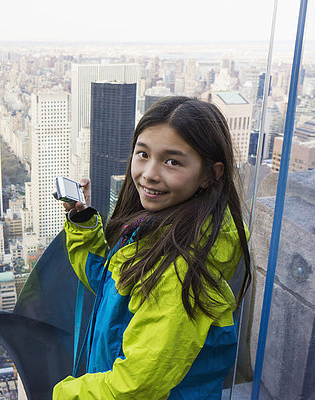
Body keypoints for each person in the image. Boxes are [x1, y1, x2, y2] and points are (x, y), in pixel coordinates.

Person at [53, 96, 251, 399]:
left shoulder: (181, 270)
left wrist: (62, 394)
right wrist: (82, 222)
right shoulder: (159, 231)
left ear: (212, 174)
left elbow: (135, 386)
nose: (149, 173)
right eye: (143, 154)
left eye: (172, 161)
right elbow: (111, 284)